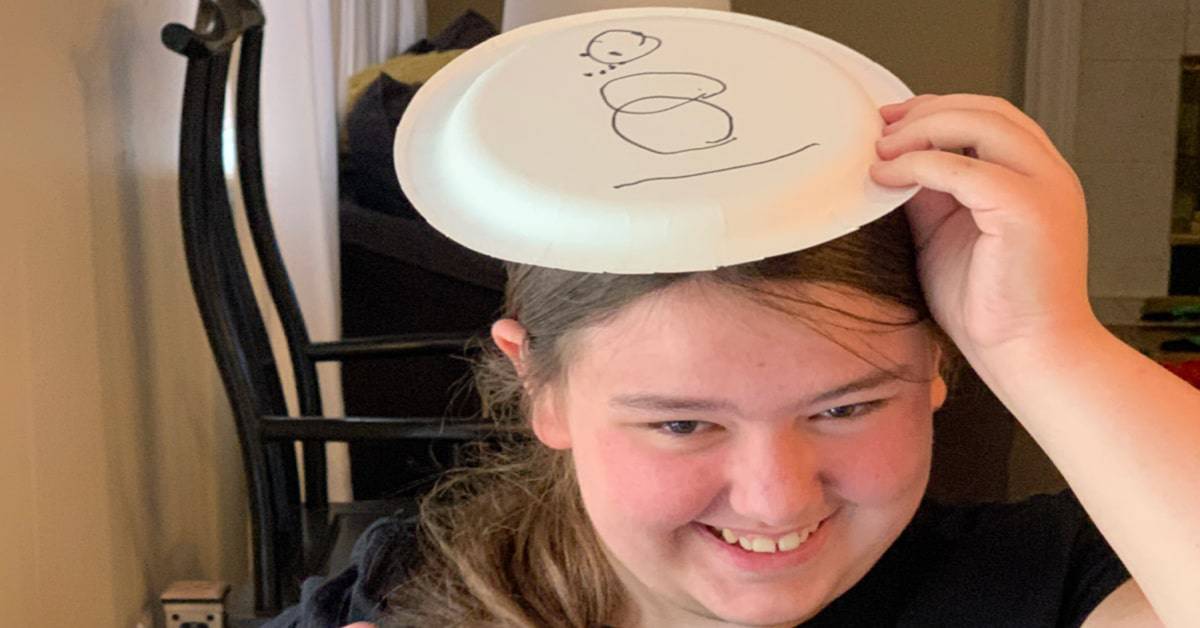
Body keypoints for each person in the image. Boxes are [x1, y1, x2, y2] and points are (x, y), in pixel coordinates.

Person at [265, 92, 1200, 627]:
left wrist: (1045, 343)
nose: (777, 500)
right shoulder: (405, 602)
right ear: (540, 386)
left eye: (846, 409)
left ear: (936, 365)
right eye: (682, 423)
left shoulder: (1044, 589)